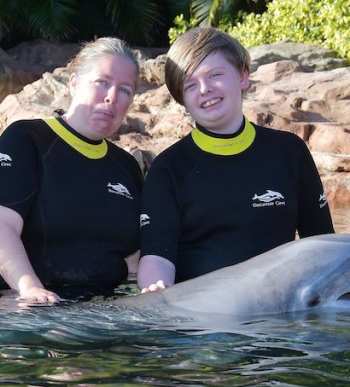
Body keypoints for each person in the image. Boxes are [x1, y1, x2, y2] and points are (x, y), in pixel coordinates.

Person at [137, 27, 333, 292]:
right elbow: (157, 255)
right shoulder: (168, 169)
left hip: (280, 314)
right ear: (181, 99)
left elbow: (323, 244)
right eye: (190, 84)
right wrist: (156, 289)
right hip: (201, 319)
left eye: (214, 75)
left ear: (243, 77)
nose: (204, 89)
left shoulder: (289, 152)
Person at [0, 37, 144, 303]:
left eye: (125, 90)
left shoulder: (127, 167)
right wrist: (29, 289)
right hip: (18, 304)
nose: (111, 97)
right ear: (74, 83)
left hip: (99, 313)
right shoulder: (27, 139)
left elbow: (134, 262)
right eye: (102, 82)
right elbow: (0, 225)